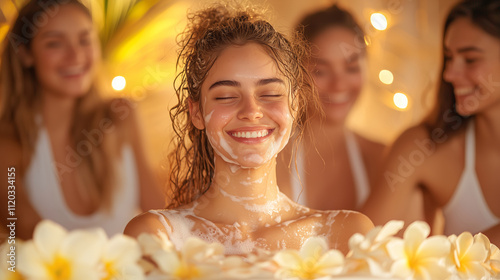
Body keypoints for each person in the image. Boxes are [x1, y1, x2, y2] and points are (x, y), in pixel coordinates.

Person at [125, 4, 373, 255]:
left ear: (295, 105)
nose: (251, 110)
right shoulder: (157, 236)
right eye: (225, 96)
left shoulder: (347, 234)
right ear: (196, 112)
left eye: (270, 93)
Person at [0, 0, 165, 239]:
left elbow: (159, 217)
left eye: (85, 39)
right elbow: (28, 238)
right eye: (55, 43)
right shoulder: (8, 142)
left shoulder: (121, 115)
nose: (75, 55)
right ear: (25, 54)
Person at [362, 0, 500, 244]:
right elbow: (361, 244)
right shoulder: (422, 146)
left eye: (470, 59)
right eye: (448, 57)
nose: (449, 74)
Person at [276, 4, 386, 211]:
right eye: (321, 71)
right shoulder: (272, 157)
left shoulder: (383, 159)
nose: (339, 85)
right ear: (297, 73)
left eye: (351, 68)